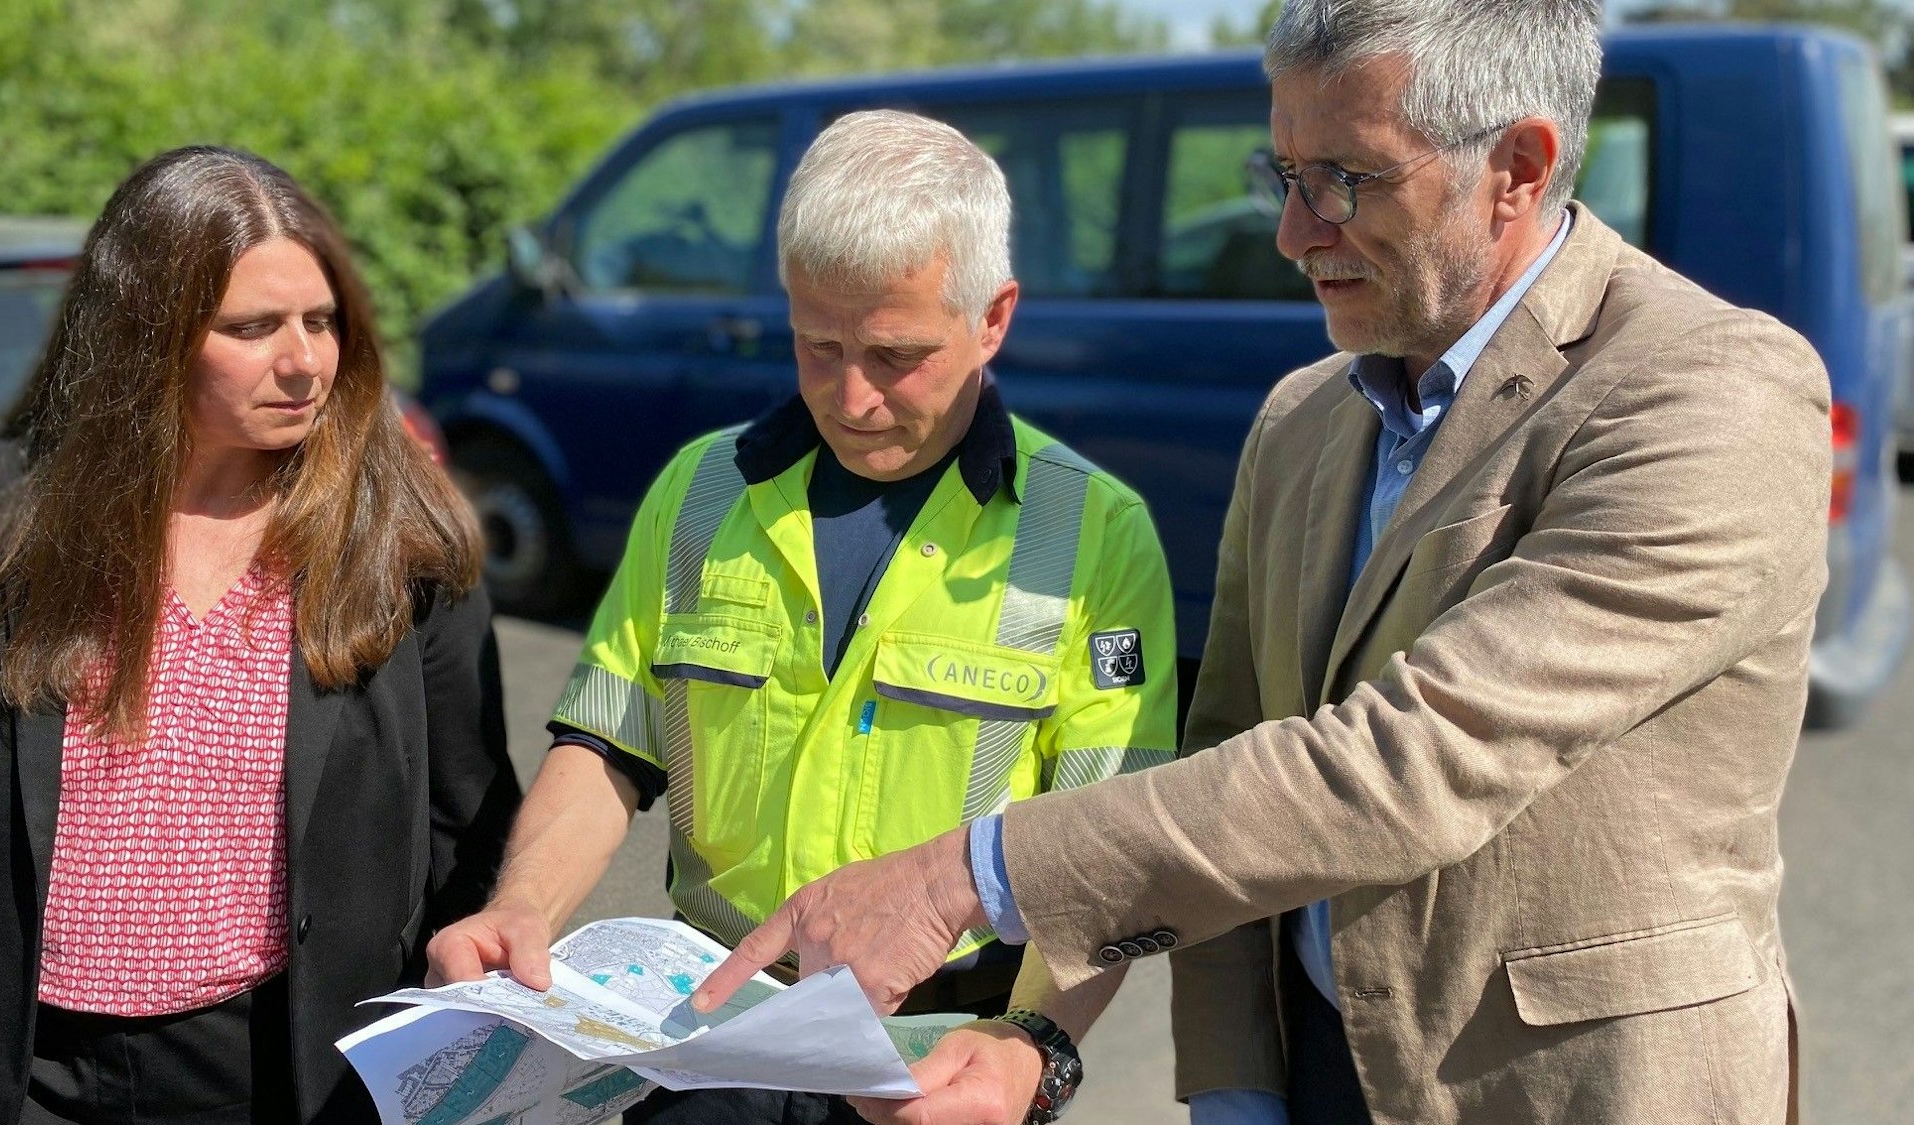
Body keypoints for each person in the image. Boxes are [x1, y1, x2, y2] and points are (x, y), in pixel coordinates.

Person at [697, 3, 1830, 1123]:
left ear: (1516, 169)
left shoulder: (1705, 392)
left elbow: (1409, 763)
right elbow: (1231, 749)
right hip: (1317, 1072)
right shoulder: (1301, 417)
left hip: (1573, 1090)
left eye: (1343, 179)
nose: (1292, 234)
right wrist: (1234, 1084)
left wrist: (961, 874)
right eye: (1280, 173)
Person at [425, 109, 1179, 1125]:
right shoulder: (698, 493)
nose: (852, 397)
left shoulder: (1093, 533)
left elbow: (1111, 853)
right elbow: (606, 741)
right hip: (706, 1052)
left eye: (894, 354)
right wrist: (520, 908)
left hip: (938, 1071)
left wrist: (1032, 1044)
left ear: (992, 318)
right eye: (816, 345)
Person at [0, 145, 521, 1125]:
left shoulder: (395, 534)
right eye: (252, 327)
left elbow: (472, 821)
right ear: (144, 333)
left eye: (320, 322)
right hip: (20, 1069)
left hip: (283, 1070)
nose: (304, 361)